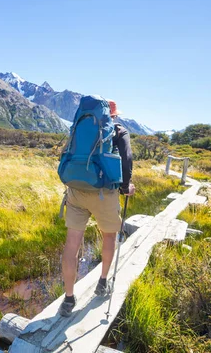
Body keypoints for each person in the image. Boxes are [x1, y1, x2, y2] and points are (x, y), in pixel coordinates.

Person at [58, 99, 135, 317]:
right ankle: (102, 283)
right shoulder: (118, 130)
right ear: (113, 115)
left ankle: (68, 299)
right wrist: (126, 185)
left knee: (72, 243)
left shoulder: (80, 125)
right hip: (103, 192)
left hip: (76, 190)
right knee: (109, 237)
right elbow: (126, 159)